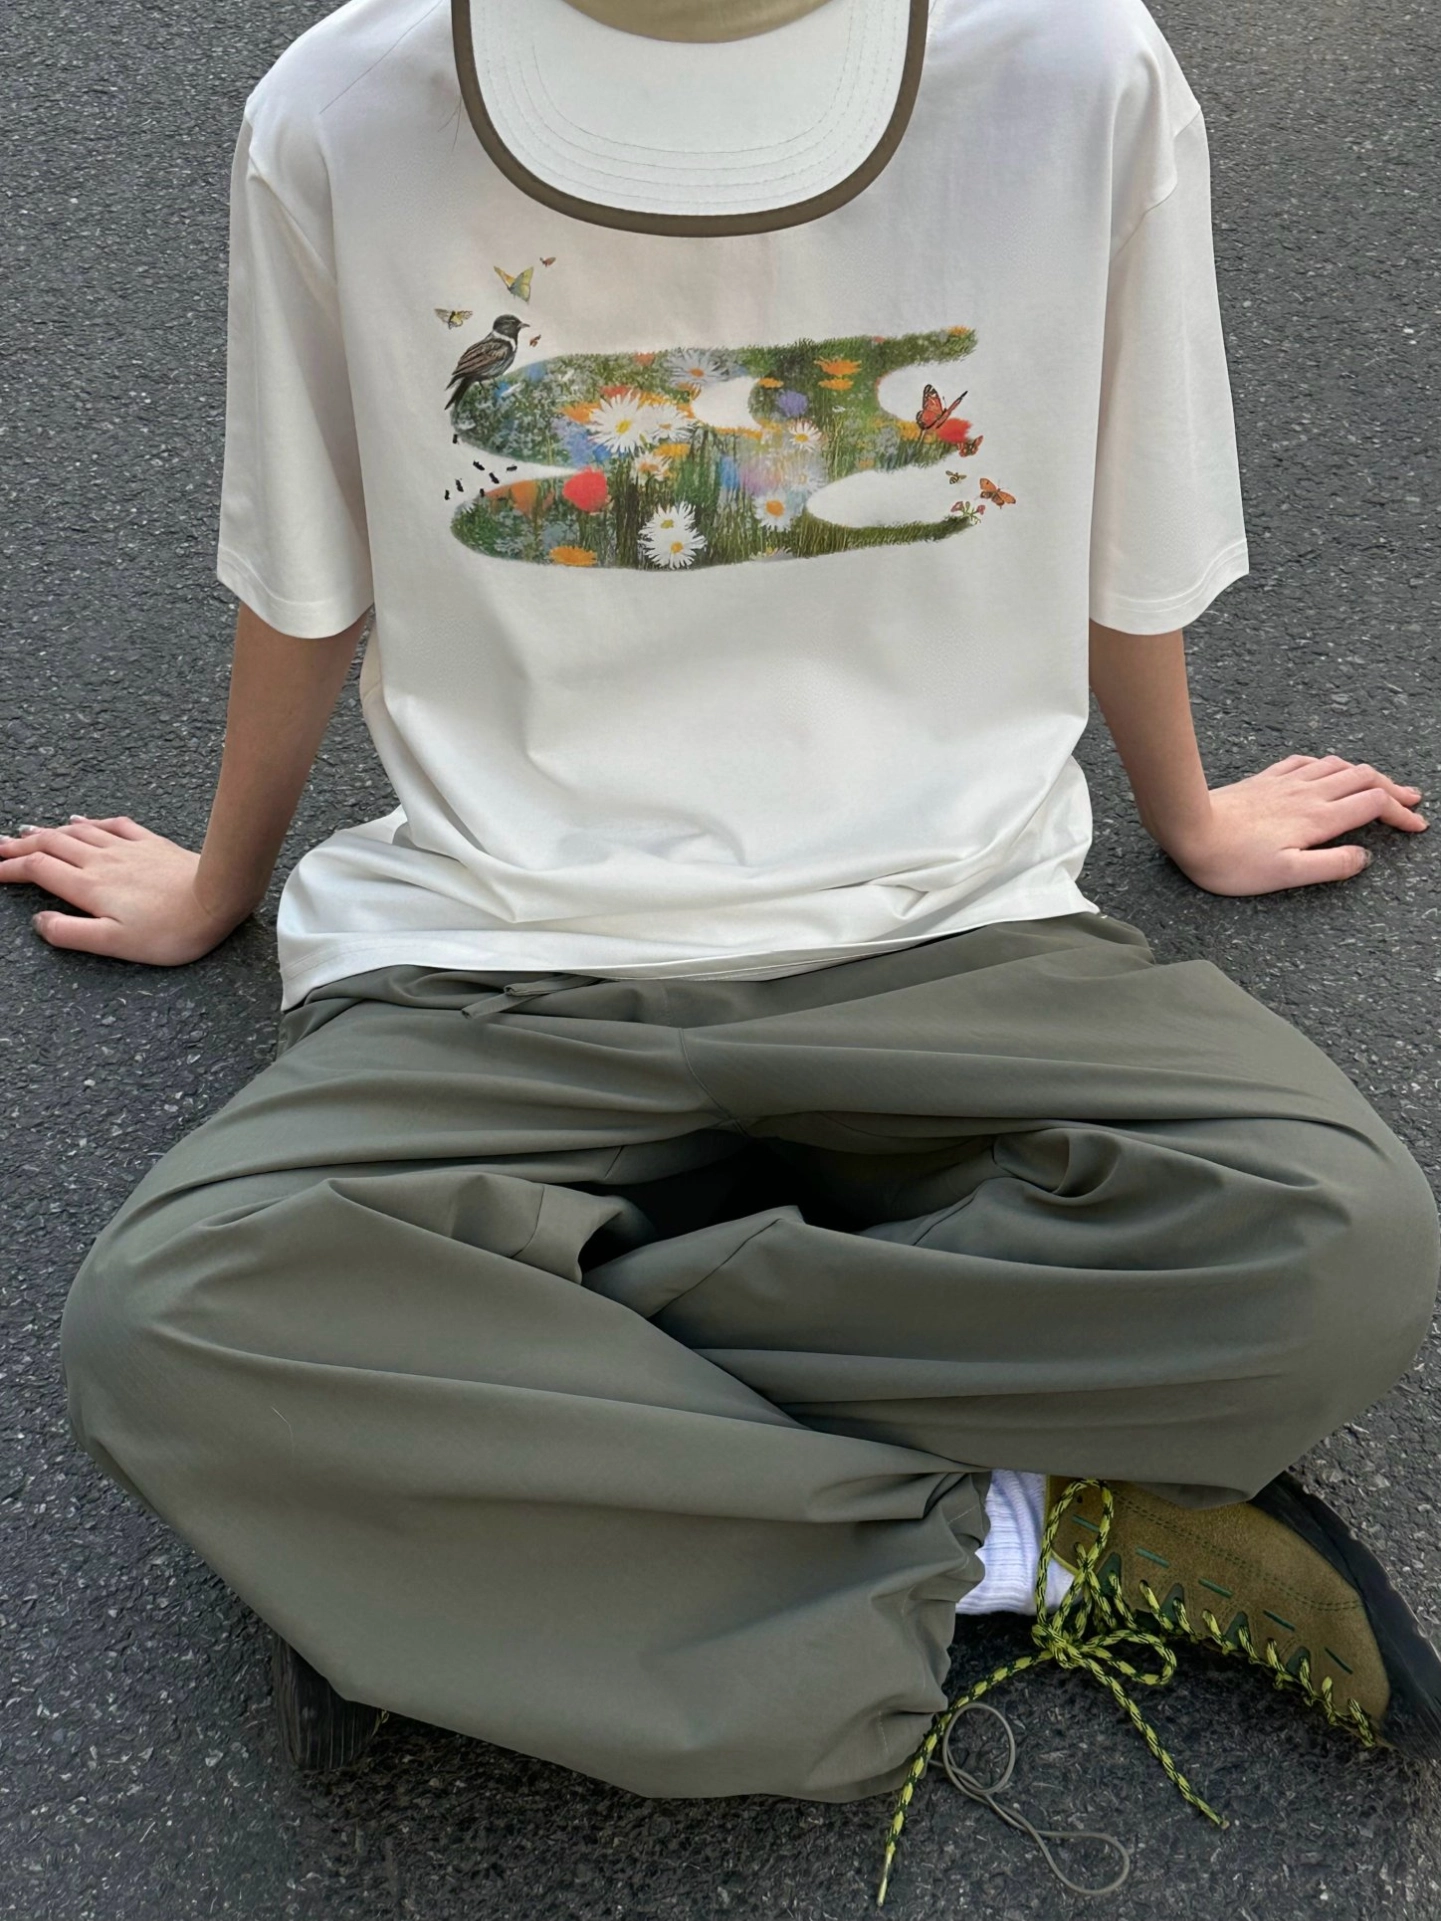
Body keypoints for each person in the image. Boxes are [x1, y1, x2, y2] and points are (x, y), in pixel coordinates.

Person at [6, 0, 1439, 1891]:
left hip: (952, 927)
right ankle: (1023, 1535)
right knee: (167, 1325)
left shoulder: (1074, 71)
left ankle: (506, 1469)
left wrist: (1186, 814)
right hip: (497, 947)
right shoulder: (348, 105)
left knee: (1339, 1245)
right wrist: (221, 877)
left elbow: (1127, 514)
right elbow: (307, 567)